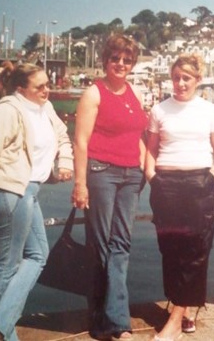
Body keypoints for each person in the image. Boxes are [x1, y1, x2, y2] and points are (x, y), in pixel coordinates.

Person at [0, 63, 74, 341]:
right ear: (20, 89)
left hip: (30, 192)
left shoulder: (46, 108)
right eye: (39, 87)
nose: (46, 90)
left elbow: (63, 136)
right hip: (8, 192)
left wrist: (64, 160)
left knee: (38, 254)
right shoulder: (6, 112)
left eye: (47, 84)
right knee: (7, 263)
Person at [71, 35, 148, 341]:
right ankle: (116, 322)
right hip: (102, 172)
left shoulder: (135, 92)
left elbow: (139, 137)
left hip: (132, 176)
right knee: (103, 245)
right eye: (115, 58)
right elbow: (80, 141)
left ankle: (106, 319)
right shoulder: (94, 93)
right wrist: (80, 183)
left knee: (121, 244)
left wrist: (148, 171)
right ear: (106, 60)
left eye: (127, 60)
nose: (121, 64)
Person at [145, 54, 214, 341]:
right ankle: (185, 307)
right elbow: (151, 149)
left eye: (187, 78)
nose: (180, 83)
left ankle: (176, 320)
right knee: (170, 249)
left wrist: (212, 176)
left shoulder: (208, 110)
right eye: (177, 77)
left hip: (198, 183)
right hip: (165, 184)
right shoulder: (159, 110)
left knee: (195, 249)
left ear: (197, 80)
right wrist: (152, 177)